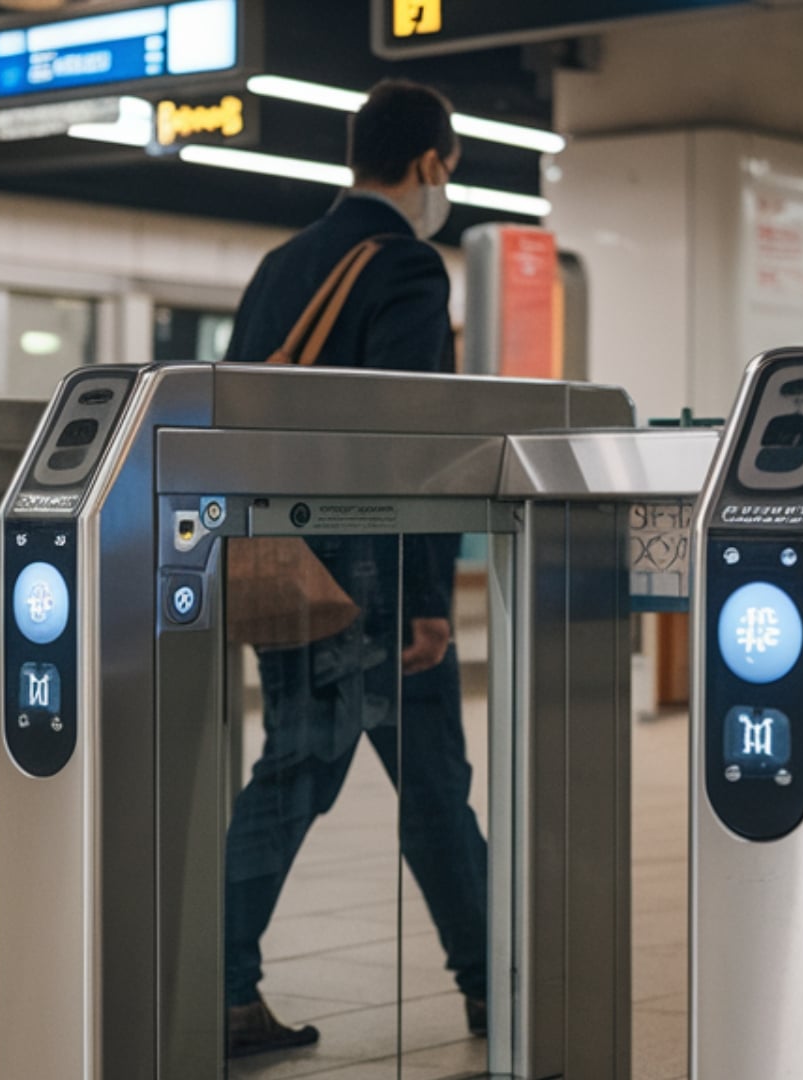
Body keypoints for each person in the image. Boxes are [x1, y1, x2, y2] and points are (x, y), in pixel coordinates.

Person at [219, 78, 489, 1059]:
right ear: (428, 163)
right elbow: (412, 445)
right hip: (374, 581)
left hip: (283, 562)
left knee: (336, 775)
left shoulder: (280, 266)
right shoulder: (406, 268)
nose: (444, 184)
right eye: (448, 169)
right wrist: (426, 600)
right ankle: (213, 983)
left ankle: (494, 978)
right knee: (363, 785)